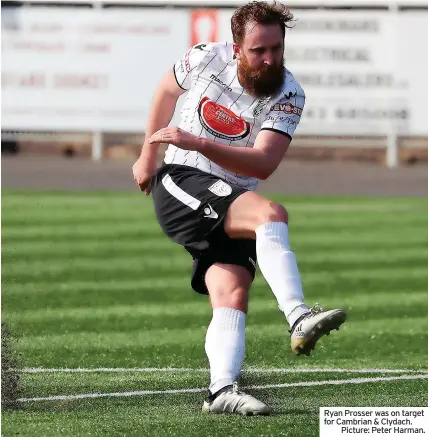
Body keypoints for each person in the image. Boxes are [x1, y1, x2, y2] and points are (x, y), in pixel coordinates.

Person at [132, 0, 346, 416]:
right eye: (258, 51)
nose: (269, 59)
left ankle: (221, 390)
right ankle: (299, 316)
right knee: (271, 215)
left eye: (276, 49)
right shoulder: (204, 57)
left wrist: (201, 141)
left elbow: (265, 162)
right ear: (235, 48)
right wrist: (147, 156)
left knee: (232, 290)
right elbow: (164, 91)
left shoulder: (289, 93)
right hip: (181, 178)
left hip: (228, 193)